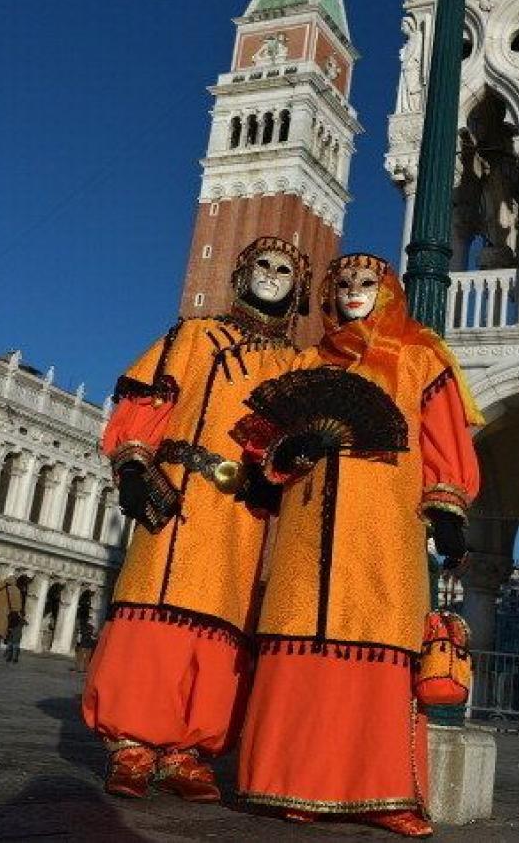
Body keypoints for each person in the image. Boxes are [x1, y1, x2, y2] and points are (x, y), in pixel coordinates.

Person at [237, 253, 482, 838]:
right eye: (342, 283)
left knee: (380, 646)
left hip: (384, 528)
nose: (352, 292)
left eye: (366, 283)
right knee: (302, 641)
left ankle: (383, 791)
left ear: (388, 290)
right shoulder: (305, 361)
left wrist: (447, 510)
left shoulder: (419, 358)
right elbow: (262, 444)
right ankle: (290, 784)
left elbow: (445, 440)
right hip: (306, 526)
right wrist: (281, 458)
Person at [82, 236, 311, 803]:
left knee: (222, 626)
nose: (273, 275)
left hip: (242, 512)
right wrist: (134, 464)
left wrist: (278, 469)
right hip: (177, 496)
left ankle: (191, 752)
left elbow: (296, 444)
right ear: (241, 272)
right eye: (264, 264)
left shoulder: (298, 364)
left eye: (285, 269)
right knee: (151, 614)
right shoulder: (192, 334)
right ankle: (131, 744)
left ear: (299, 286)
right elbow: (148, 402)